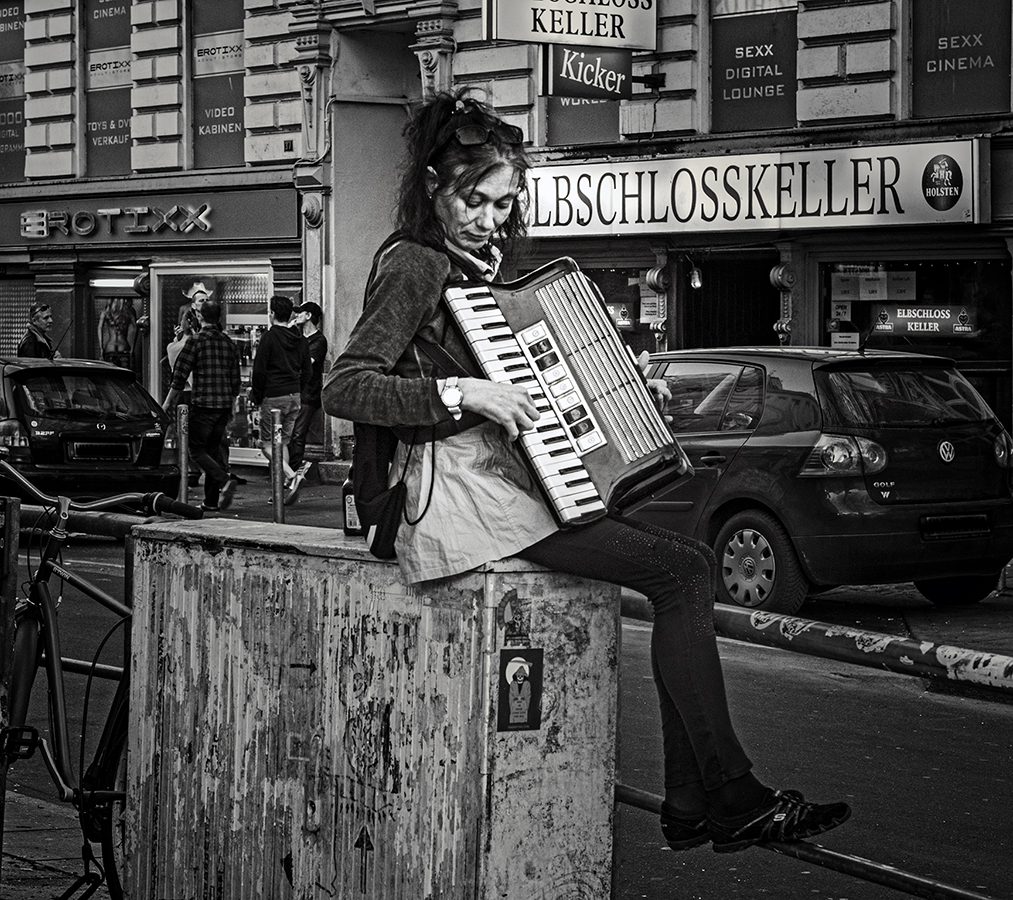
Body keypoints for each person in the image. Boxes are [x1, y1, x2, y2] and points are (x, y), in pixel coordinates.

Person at [321, 90, 852, 855]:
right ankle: (718, 796)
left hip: (503, 488)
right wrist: (460, 391)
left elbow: (523, 382)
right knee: (682, 572)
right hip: (456, 501)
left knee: (686, 568)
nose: (491, 219)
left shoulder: (483, 266)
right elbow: (345, 386)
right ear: (434, 184)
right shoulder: (414, 262)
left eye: (504, 204)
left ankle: (696, 801)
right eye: (477, 200)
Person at [162, 297, 240, 513]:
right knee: (213, 451)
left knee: (196, 450)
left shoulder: (195, 342)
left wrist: (167, 403)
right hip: (223, 406)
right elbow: (236, 381)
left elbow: (179, 376)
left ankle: (224, 481)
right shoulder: (229, 343)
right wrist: (232, 406)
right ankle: (211, 501)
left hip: (203, 404)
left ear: (199, 317)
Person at [250, 295, 310, 505]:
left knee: (266, 444)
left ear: (272, 314)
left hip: (273, 396)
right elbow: (307, 371)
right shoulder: (301, 339)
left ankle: (292, 476)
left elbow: (259, 370)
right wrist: (297, 389)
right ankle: (280, 491)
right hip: (294, 396)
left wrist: (257, 395)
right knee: (282, 441)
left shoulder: (269, 337)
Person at [286, 300, 328, 490]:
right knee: (289, 434)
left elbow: (304, 364)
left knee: (297, 434)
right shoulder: (297, 336)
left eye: (300, 313)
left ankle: (293, 474)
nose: (296, 316)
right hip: (292, 391)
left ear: (309, 316)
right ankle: (289, 473)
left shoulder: (318, 341)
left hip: (308, 394)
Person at [99, 297, 137, 369]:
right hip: (123, 345)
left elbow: (100, 327)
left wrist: (101, 347)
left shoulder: (106, 311)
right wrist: (133, 347)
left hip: (110, 346)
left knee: (110, 375)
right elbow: (136, 327)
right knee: (124, 374)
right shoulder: (128, 311)